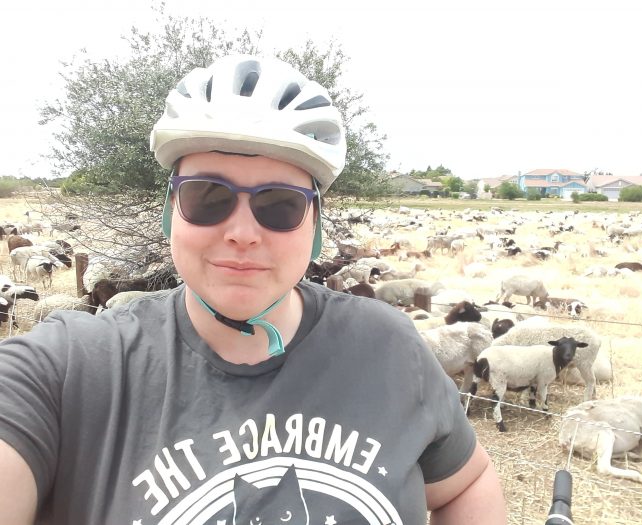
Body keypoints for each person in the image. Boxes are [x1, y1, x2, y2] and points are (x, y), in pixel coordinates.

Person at [0, 54, 506, 524]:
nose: (242, 232)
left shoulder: (391, 348)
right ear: (168, 213)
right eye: (208, 197)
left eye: (280, 205)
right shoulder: (69, 371)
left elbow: (467, 481)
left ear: (316, 228)